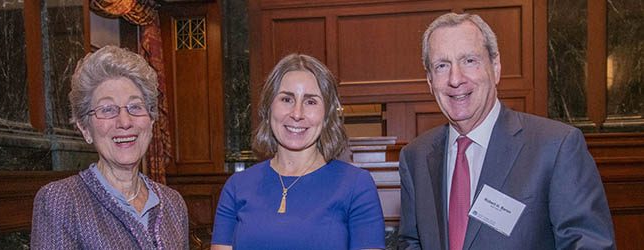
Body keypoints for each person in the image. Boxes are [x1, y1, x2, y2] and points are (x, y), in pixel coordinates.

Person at [398, 13, 615, 250]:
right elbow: (412, 242)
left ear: (496, 67)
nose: (455, 79)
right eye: (442, 66)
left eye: (469, 61)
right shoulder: (415, 157)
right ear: (429, 80)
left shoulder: (556, 147)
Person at [211, 54, 385, 250]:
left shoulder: (356, 185)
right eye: (286, 99)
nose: (297, 114)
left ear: (327, 115)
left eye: (310, 102)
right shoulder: (236, 187)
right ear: (268, 108)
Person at [31, 45, 189, 249]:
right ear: (85, 128)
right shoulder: (62, 200)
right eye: (107, 109)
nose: (124, 121)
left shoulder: (173, 204)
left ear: (151, 121)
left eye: (135, 107)